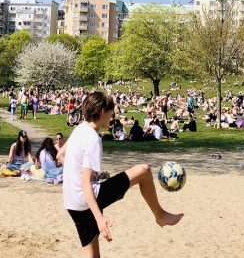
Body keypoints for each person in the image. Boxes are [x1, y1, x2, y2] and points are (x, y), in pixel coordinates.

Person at [63, 91, 182, 257]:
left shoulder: (79, 129)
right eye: (111, 111)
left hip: (71, 202)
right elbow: (85, 183)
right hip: (86, 199)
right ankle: (160, 215)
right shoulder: (92, 139)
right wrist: (99, 218)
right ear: (102, 111)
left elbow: (60, 155)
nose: (112, 115)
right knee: (144, 171)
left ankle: (160, 216)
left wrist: (72, 172)